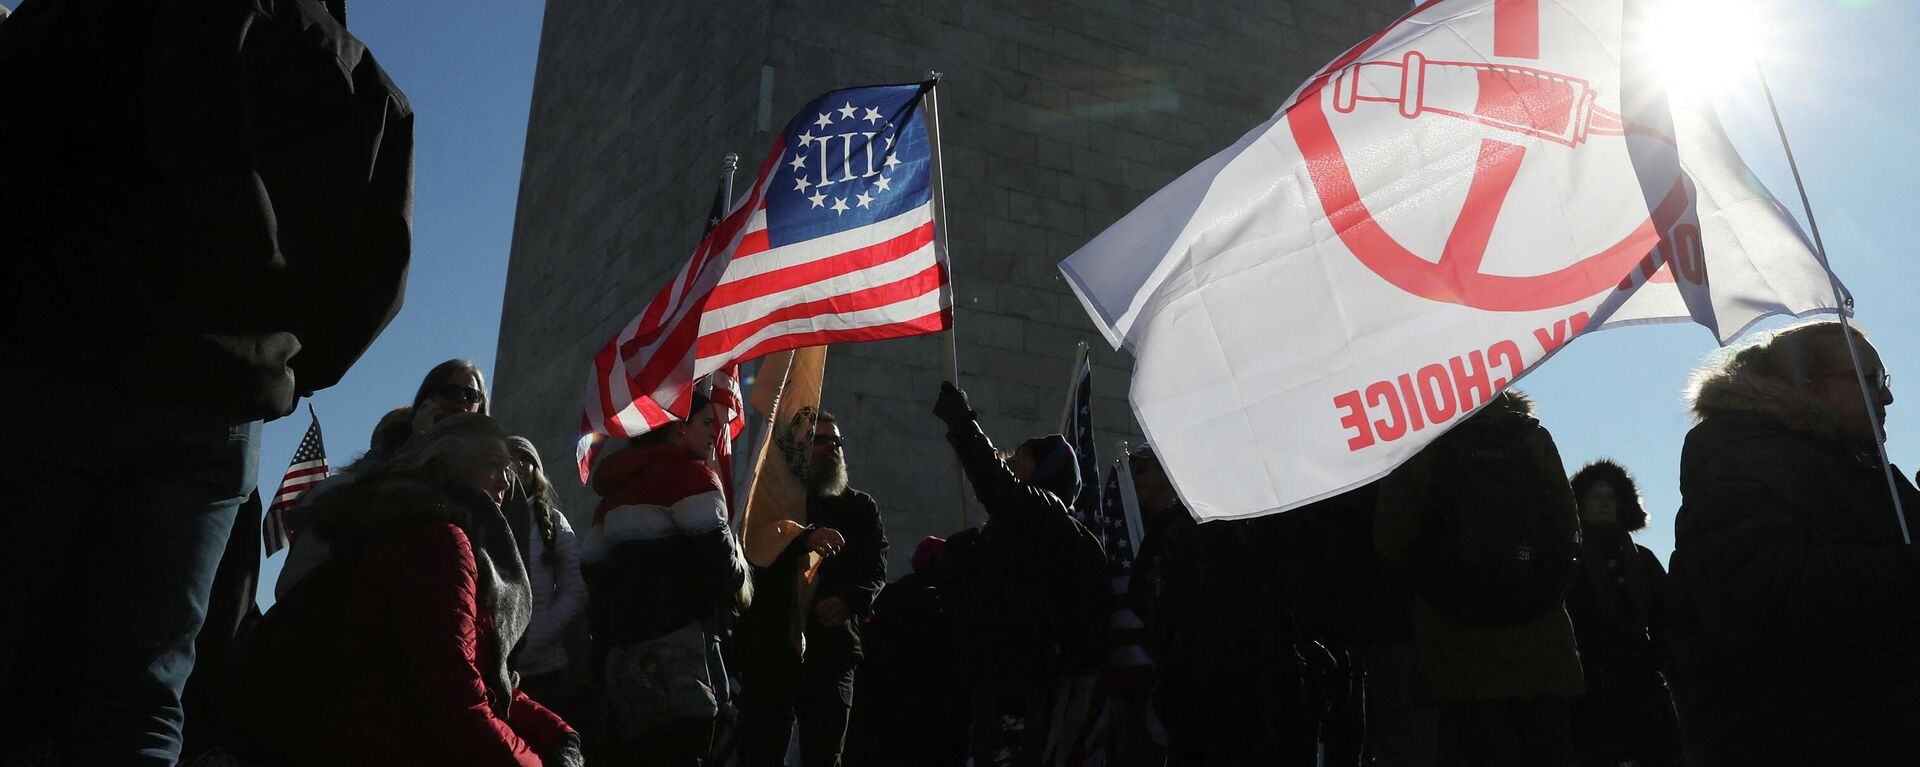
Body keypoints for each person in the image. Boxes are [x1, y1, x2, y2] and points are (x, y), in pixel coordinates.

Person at [0, 0, 412, 762]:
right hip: (217, 412)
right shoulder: (361, 83)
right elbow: (375, 280)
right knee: (146, 692)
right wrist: (281, 366)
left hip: (63, 358)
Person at [224, 413, 581, 766]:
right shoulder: (438, 540)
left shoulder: (445, 536)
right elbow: (454, 698)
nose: (506, 483)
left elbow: (484, 677)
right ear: (446, 466)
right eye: (493, 465)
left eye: (508, 470)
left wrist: (558, 733)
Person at [1665, 320, 1920, 765]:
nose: (1887, 396)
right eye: (1869, 379)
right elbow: (1760, 590)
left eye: (1885, 380)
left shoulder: (1859, 465)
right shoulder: (1744, 459)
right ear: (1807, 384)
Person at [1369, 390, 1584, 767]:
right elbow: (1568, 527)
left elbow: (1392, 536)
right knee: (1547, 745)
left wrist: (1431, 582)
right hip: (1538, 629)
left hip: (1455, 632)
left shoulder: (1422, 443)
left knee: (1479, 745)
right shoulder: (1531, 437)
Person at [932, 382, 1107, 767]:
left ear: (1045, 472)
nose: (1011, 458)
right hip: (990, 673)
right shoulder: (1016, 530)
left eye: (1024, 455)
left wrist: (963, 424)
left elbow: (997, 484)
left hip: (1017, 676)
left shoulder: (1046, 514)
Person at [586, 391, 754, 765]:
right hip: (683, 656)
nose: (716, 432)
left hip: (622, 657)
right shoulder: (690, 477)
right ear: (679, 428)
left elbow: (591, 567)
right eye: (707, 422)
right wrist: (741, 566)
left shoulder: (612, 496)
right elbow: (727, 570)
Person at [732, 410, 889, 767]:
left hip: (832, 652)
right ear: (800, 449)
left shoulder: (860, 508)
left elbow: (875, 567)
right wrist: (801, 540)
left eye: (836, 441)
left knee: (825, 753)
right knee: (762, 750)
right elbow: (753, 556)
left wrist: (850, 600)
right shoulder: (771, 505)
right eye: (820, 440)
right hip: (772, 650)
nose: (831, 447)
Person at [1563, 459, 1680, 767]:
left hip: (1642, 686)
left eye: (1611, 496)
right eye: (1595, 496)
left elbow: (1667, 616)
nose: (1604, 502)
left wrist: (1659, 658)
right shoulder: (1566, 562)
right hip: (1589, 691)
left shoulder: (1642, 560)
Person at [506, 437, 591, 712]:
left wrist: (539, 637)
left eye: (525, 459)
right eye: (510, 458)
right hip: (497, 670)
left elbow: (575, 589)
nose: (518, 465)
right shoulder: (483, 521)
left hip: (548, 669)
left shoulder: (554, 522)